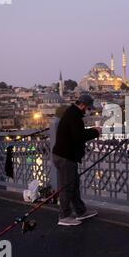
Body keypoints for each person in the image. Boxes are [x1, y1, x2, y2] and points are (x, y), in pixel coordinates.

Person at [52, 94, 101, 226]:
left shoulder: (72, 113)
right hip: (65, 157)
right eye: (88, 108)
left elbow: (76, 133)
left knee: (73, 185)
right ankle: (64, 216)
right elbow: (78, 136)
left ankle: (80, 211)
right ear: (83, 105)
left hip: (64, 156)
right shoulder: (74, 116)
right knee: (67, 187)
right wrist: (95, 132)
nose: (88, 111)